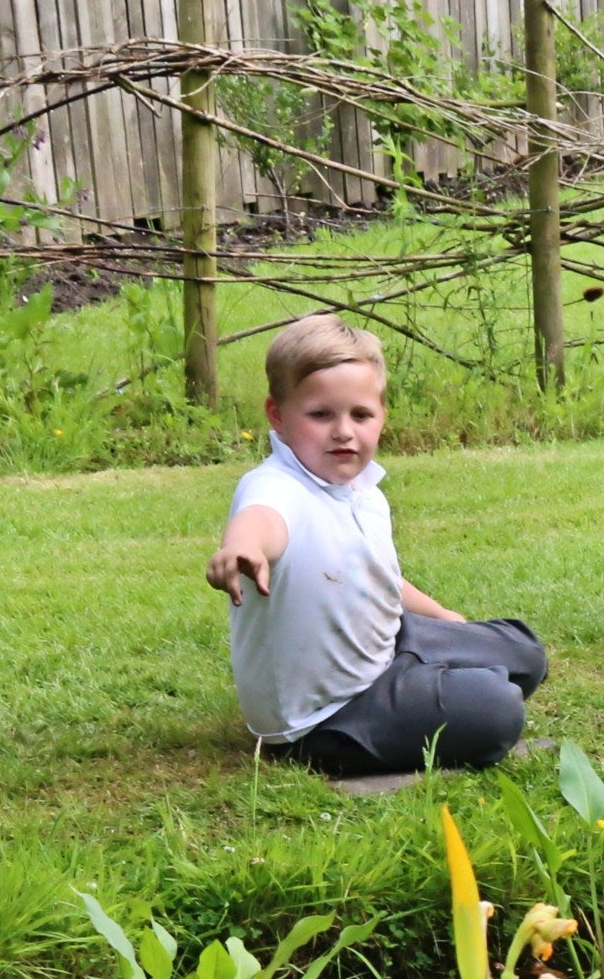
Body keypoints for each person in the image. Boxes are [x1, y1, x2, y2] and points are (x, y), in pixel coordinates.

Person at [208, 313, 548, 778]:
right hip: (326, 715)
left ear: (382, 415)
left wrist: (446, 621)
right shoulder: (278, 486)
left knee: (523, 651)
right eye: (321, 414)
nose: (344, 431)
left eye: (361, 414)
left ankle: (430, 679)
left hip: (383, 648)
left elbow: (376, 577)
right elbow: (262, 521)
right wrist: (241, 548)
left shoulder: (363, 492)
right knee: (496, 709)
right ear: (277, 415)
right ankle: (428, 696)